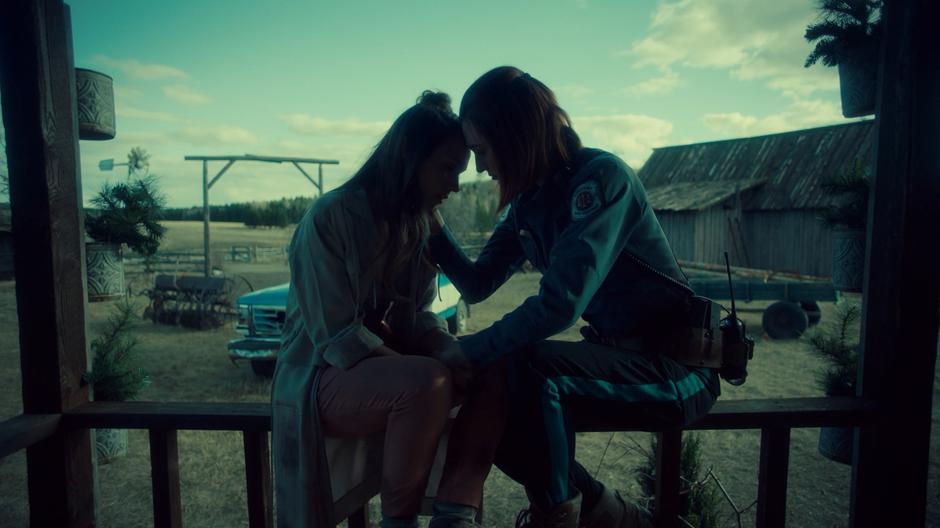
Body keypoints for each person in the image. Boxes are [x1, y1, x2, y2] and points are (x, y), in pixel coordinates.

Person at [427, 67, 721, 528]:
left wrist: (463, 350)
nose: (481, 167)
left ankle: (559, 517)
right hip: (615, 362)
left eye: (483, 150)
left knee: (533, 366)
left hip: (676, 370)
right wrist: (428, 219)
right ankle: (611, 513)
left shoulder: (601, 181)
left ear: (514, 135)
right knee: (496, 389)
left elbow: (560, 304)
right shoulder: (530, 202)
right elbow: (478, 283)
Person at [272, 91, 470, 528]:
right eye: (447, 168)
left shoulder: (419, 225)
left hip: (378, 373)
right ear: (409, 158)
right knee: (429, 381)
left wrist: (445, 345)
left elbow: (416, 314)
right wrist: (424, 367)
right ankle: (400, 522)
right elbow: (336, 338)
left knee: (479, 370)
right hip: (314, 375)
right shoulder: (330, 217)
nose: (454, 185)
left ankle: (455, 510)